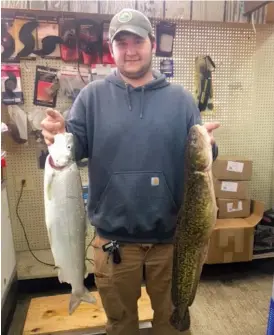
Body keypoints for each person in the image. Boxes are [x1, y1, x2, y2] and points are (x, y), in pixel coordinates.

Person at [41, 8, 220, 335]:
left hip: (170, 242)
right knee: (121, 326)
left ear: (152, 43)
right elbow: (73, 147)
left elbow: (200, 158)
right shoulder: (91, 97)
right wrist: (58, 134)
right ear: (112, 49)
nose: (130, 50)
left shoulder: (180, 101)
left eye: (137, 40)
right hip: (113, 245)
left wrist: (209, 144)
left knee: (171, 324)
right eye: (121, 43)